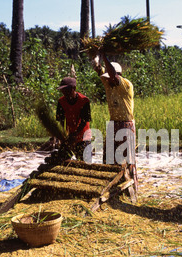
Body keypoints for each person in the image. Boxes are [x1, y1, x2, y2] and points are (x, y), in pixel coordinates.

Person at [91, 52, 138, 190]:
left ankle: (128, 188)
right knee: (109, 158)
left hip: (126, 125)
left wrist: (105, 55)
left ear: (118, 76)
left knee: (126, 159)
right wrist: (96, 56)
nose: (108, 80)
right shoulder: (109, 84)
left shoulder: (125, 85)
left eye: (111, 78)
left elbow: (111, 74)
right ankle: (109, 187)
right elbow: (100, 71)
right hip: (113, 124)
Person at [56, 76, 92, 162]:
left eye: (67, 90)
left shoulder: (84, 101)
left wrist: (74, 135)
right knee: (61, 160)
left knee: (84, 163)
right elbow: (61, 120)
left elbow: (84, 120)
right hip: (69, 135)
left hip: (83, 136)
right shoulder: (61, 101)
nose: (65, 93)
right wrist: (63, 134)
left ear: (74, 88)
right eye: (63, 90)